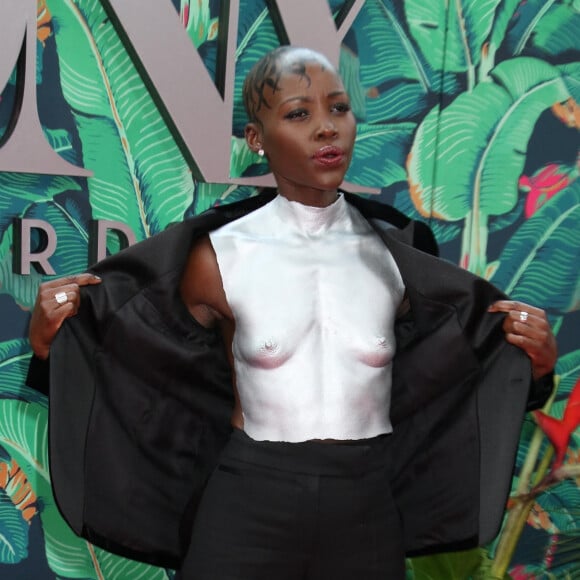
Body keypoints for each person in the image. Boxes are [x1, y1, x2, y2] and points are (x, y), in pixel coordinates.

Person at [27, 46, 557, 579]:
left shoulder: (399, 261)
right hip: (249, 495)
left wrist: (532, 367)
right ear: (257, 139)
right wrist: (54, 344)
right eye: (299, 114)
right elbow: (143, 362)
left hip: (366, 501)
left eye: (339, 108)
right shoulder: (215, 258)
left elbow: (449, 378)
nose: (327, 129)